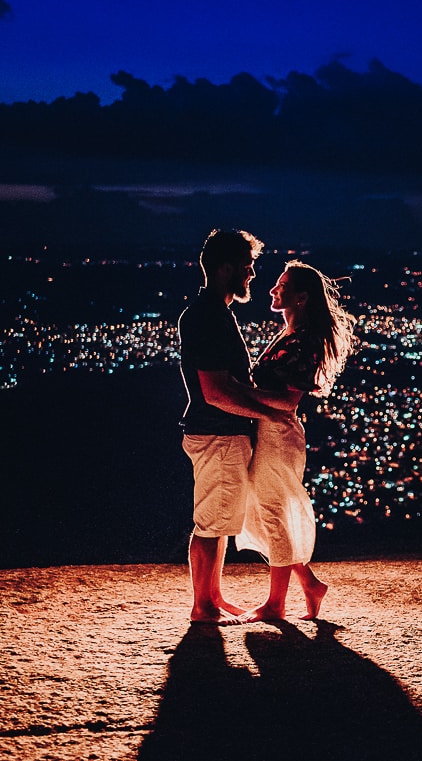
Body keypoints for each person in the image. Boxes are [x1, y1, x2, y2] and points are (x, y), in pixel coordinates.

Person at [219, 260, 356, 621]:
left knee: (272, 512)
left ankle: (276, 604)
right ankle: (309, 584)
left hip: (277, 434)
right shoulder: (291, 335)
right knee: (267, 513)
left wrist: (236, 393)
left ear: (301, 297)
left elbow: (288, 401)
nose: (272, 289)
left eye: (281, 285)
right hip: (271, 431)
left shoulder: (303, 341)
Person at [177, 230, 297, 625]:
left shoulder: (213, 312)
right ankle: (203, 606)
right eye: (247, 268)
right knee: (211, 523)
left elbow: (231, 385)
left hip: (219, 433)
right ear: (226, 268)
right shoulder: (208, 315)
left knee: (220, 520)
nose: (252, 276)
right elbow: (215, 391)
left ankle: (212, 596)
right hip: (218, 434)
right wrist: (270, 413)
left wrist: (268, 404)